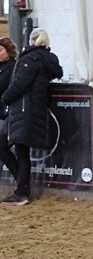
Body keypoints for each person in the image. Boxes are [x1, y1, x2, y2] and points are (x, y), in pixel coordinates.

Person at [1, 29, 63, 204]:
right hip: (37, 109)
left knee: (19, 149)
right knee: (20, 149)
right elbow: (57, 74)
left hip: (23, 109)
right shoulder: (49, 61)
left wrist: (4, 98)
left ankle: (22, 191)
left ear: (31, 41)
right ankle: (22, 187)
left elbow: (20, 84)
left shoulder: (28, 60)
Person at [0, 37, 19, 189]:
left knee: (2, 147)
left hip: (6, 114)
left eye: (0, 50)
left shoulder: (11, 67)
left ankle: (20, 178)